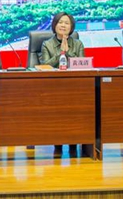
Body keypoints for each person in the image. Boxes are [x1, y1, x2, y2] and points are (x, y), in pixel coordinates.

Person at [39, 12, 86, 155]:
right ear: (55, 25)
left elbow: (82, 65)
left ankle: (74, 143)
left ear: (71, 27)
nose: (63, 25)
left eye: (66, 23)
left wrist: (68, 53)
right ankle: (57, 143)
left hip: (74, 86)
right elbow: (45, 65)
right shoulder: (47, 44)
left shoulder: (78, 44)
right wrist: (60, 53)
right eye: (60, 22)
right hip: (53, 86)